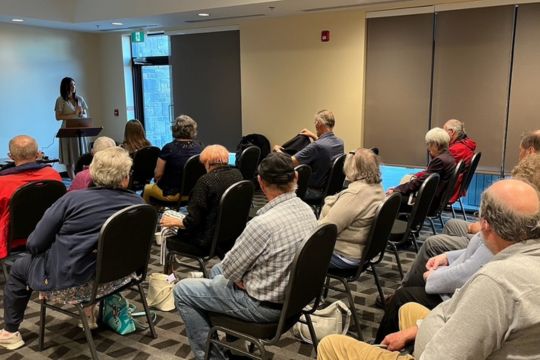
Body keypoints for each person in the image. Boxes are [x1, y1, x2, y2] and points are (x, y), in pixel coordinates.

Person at [317, 178, 540, 360]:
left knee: (331, 345)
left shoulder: (496, 282)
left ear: (485, 225)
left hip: (435, 351)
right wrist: (417, 329)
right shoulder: (525, 257)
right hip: (455, 333)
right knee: (407, 308)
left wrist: (426, 331)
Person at [173, 153, 318, 360]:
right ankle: (235, 342)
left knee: (182, 290)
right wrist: (243, 279)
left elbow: (232, 271)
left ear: (260, 181)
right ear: (296, 177)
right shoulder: (307, 210)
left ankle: (212, 357)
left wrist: (245, 281)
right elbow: (229, 270)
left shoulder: (262, 224)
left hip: (265, 307)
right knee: (216, 269)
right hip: (294, 299)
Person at [0, 147, 144, 350]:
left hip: (72, 283)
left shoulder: (71, 200)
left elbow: (34, 243)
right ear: (127, 177)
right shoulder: (138, 204)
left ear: (92, 173)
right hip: (121, 278)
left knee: (19, 267)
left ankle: (10, 332)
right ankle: (89, 311)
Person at [160, 145, 243, 258]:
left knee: (166, 218)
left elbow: (193, 221)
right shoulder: (237, 174)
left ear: (207, 163)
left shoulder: (205, 181)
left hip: (205, 240)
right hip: (230, 235)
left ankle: (169, 273)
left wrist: (173, 221)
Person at [318, 148, 384, 269]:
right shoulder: (377, 187)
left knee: (291, 249)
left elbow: (326, 229)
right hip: (362, 253)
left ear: (351, 168)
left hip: (343, 255)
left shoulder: (355, 194)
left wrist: (328, 203)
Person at [0, 135, 62, 260]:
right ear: (38, 154)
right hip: (49, 233)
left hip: (12, 240)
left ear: (10, 156)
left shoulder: (3, 182)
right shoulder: (53, 176)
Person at [273, 109, 344, 201]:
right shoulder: (339, 143)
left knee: (277, 184)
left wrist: (277, 150)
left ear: (318, 123)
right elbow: (325, 149)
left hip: (313, 191)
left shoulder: (316, 146)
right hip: (330, 190)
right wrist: (314, 136)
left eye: (315, 122)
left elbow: (291, 162)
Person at [387, 127, 456, 211]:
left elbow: (419, 183)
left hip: (427, 204)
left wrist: (397, 190)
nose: (428, 148)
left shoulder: (439, 161)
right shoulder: (449, 157)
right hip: (435, 202)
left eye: (429, 144)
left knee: (391, 199)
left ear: (436, 144)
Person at [143, 115, 202, 204]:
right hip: (193, 193)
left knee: (147, 189)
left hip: (173, 195)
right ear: (193, 130)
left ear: (174, 129)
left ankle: (150, 216)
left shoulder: (168, 148)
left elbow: (158, 174)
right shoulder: (200, 147)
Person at [55, 77, 90, 179]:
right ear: (65, 86)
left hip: (80, 129)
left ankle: (83, 179)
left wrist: (81, 114)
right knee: (69, 158)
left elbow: (85, 114)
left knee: (82, 155)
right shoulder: (60, 100)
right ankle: (74, 180)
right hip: (67, 130)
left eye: (74, 84)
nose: (74, 87)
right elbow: (58, 117)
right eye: (71, 85)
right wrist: (74, 114)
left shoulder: (80, 99)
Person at [443, 119, 477, 203]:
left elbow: (439, 170)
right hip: (454, 188)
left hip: (447, 191)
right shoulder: (466, 146)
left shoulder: (456, 150)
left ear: (451, 132)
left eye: (443, 131)